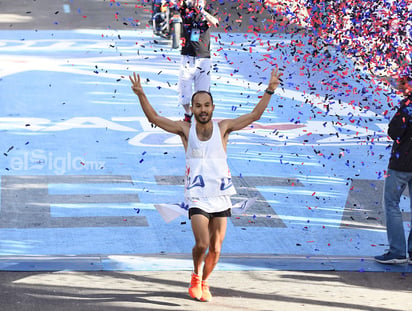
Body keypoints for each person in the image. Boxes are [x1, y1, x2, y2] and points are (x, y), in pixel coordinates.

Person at [129, 68, 282, 301]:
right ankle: (195, 276)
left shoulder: (223, 128)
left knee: (217, 249)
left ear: (212, 108)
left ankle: (205, 281)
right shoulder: (185, 130)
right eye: (198, 106)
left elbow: (253, 116)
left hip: (221, 197)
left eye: (206, 105)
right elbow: (154, 119)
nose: (202, 109)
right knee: (202, 243)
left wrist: (270, 89)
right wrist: (141, 94)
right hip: (197, 197)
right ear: (192, 109)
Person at [375, 68, 412, 264]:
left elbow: (394, 131)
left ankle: (397, 251)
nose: (401, 86)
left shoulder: (408, 105)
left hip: (402, 164)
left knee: (392, 203)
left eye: (404, 82)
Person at [176, 0, 219, 122]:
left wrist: (202, 11)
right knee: (184, 93)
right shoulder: (185, 10)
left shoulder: (208, 12)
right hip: (187, 58)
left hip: (203, 59)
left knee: (203, 94)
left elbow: (215, 22)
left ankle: (202, 119)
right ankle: (188, 113)